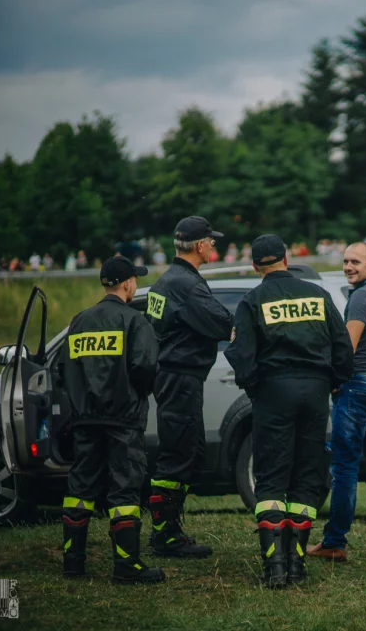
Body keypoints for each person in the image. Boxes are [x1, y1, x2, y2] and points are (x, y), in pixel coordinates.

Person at [225, 234, 352, 588]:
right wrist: (334, 381)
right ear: (286, 258)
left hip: (273, 391)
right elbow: (341, 346)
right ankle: (297, 561)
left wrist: (256, 388)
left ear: (255, 266)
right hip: (314, 392)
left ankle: (275, 568)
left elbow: (241, 356)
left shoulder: (252, 300)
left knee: (270, 477)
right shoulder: (318, 295)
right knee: (307, 475)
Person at [57, 256, 164, 584]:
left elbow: (63, 370)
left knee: (80, 488)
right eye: (136, 280)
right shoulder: (135, 322)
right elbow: (146, 368)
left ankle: (73, 563)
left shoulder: (79, 321)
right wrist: (139, 394)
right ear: (128, 283)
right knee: (124, 491)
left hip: (85, 420)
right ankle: (126, 565)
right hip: (123, 420)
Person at [307, 242, 366, 562]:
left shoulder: (361, 297)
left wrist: (334, 381)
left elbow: (348, 346)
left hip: (360, 384)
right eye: (346, 261)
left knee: (345, 468)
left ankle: (335, 542)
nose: (349, 267)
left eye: (356, 262)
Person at [145, 216, 233, 558]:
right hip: (180, 379)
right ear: (199, 246)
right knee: (178, 455)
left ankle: (169, 529)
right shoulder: (188, 285)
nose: (214, 246)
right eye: (211, 241)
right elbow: (222, 323)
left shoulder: (165, 281)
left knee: (187, 449)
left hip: (171, 378)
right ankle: (164, 535)